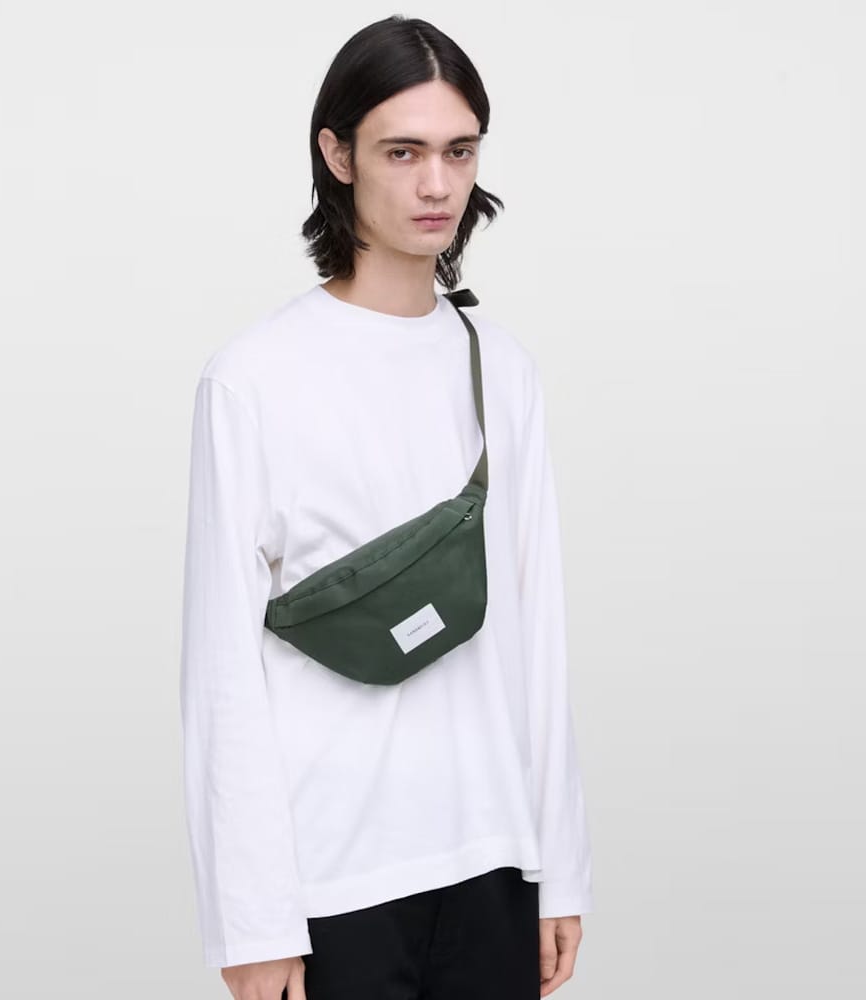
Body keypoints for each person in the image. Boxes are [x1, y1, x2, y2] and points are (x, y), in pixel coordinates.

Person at [179, 15, 594, 1000]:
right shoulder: (254, 379)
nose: (437, 185)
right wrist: (253, 921)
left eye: (460, 151)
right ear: (337, 155)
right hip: (332, 880)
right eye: (402, 152)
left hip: (493, 859)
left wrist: (559, 864)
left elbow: (536, 633)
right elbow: (221, 670)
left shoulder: (502, 369)